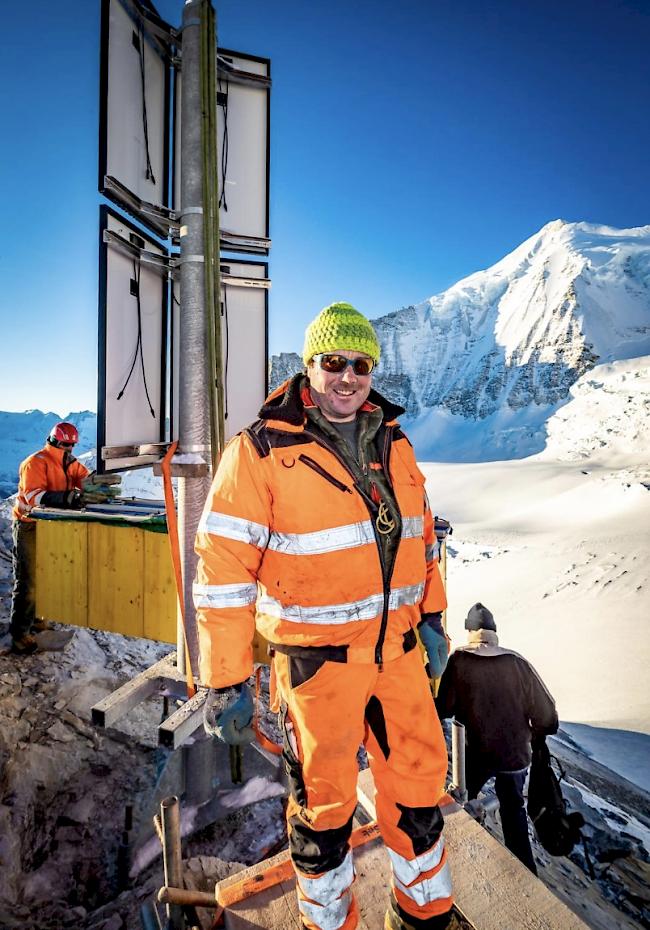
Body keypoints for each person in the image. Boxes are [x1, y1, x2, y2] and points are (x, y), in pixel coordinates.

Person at [195, 302, 454, 930]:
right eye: (333, 362)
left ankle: (425, 914)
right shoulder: (260, 451)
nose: (347, 376)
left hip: (397, 659)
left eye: (360, 364)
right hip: (317, 669)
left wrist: (433, 619)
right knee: (323, 812)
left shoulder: (395, 441)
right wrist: (226, 679)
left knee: (420, 798)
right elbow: (223, 572)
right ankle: (330, 923)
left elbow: (417, 539)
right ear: (309, 366)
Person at [435, 602, 558, 875]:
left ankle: (460, 869)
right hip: (514, 755)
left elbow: (443, 707)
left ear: (469, 631)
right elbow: (548, 716)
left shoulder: (459, 660)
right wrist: (532, 735)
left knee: (461, 804)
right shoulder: (517, 662)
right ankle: (526, 877)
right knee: (513, 810)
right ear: (495, 631)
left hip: (476, 754)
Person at [9, 421, 119, 655]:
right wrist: (68, 498)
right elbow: (32, 497)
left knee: (47, 576)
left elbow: (84, 478)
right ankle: (20, 635)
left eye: (72, 445)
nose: (70, 449)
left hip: (52, 527)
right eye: (66, 445)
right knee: (28, 581)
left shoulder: (69, 462)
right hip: (29, 524)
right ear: (55, 441)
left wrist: (95, 483)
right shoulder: (35, 463)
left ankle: (37, 621)